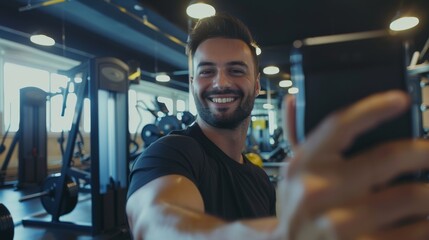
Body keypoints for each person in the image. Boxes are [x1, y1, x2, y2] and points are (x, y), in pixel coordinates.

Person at [126, 13, 429, 240]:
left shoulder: (259, 179)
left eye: (236, 70)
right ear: (192, 84)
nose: (220, 82)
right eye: (206, 72)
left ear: (257, 85)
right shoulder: (169, 154)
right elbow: (157, 223)